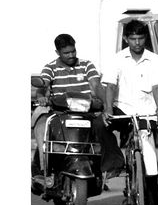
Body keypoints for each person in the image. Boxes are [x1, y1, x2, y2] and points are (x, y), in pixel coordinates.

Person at [32, 34, 122, 183]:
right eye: (66, 53)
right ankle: (44, 170)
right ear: (57, 53)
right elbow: (43, 84)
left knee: (103, 127)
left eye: (73, 51)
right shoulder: (51, 68)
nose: (71, 55)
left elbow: (96, 86)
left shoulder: (86, 65)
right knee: (42, 126)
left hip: (86, 112)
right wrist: (41, 96)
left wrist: (106, 105)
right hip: (60, 113)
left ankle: (106, 166)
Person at [103, 20, 158, 205]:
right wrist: (107, 109)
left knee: (149, 157)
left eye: (140, 38)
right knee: (99, 124)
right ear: (125, 39)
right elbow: (110, 87)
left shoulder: (155, 60)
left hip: (146, 112)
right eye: (133, 39)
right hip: (123, 109)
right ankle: (114, 161)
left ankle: (154, 202)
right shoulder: (117, 59)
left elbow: (157, 87)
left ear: (145, 38)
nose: (137, 42)